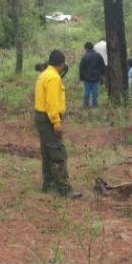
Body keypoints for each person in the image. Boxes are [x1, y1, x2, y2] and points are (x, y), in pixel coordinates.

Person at [34, 50, 81, 199]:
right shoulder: (53, 78)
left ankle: (48, 184)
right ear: (61, 64)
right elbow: (52, 103)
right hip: (49, 118)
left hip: (40, 116)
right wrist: (56, 122)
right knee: (58, 152)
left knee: (47, 152)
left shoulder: (43, 74)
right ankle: (64, 188)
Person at [78, 42, 105, 108]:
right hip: (96, 77)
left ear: (86, 48)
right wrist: (102, 74)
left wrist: (81, 77)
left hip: (87, 78)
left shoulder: (84, 57)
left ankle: (85, 105)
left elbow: (81, 68)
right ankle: (95, 104)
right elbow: (102, 66)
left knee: (86, 92)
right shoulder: (98, 55)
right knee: (95, 92)